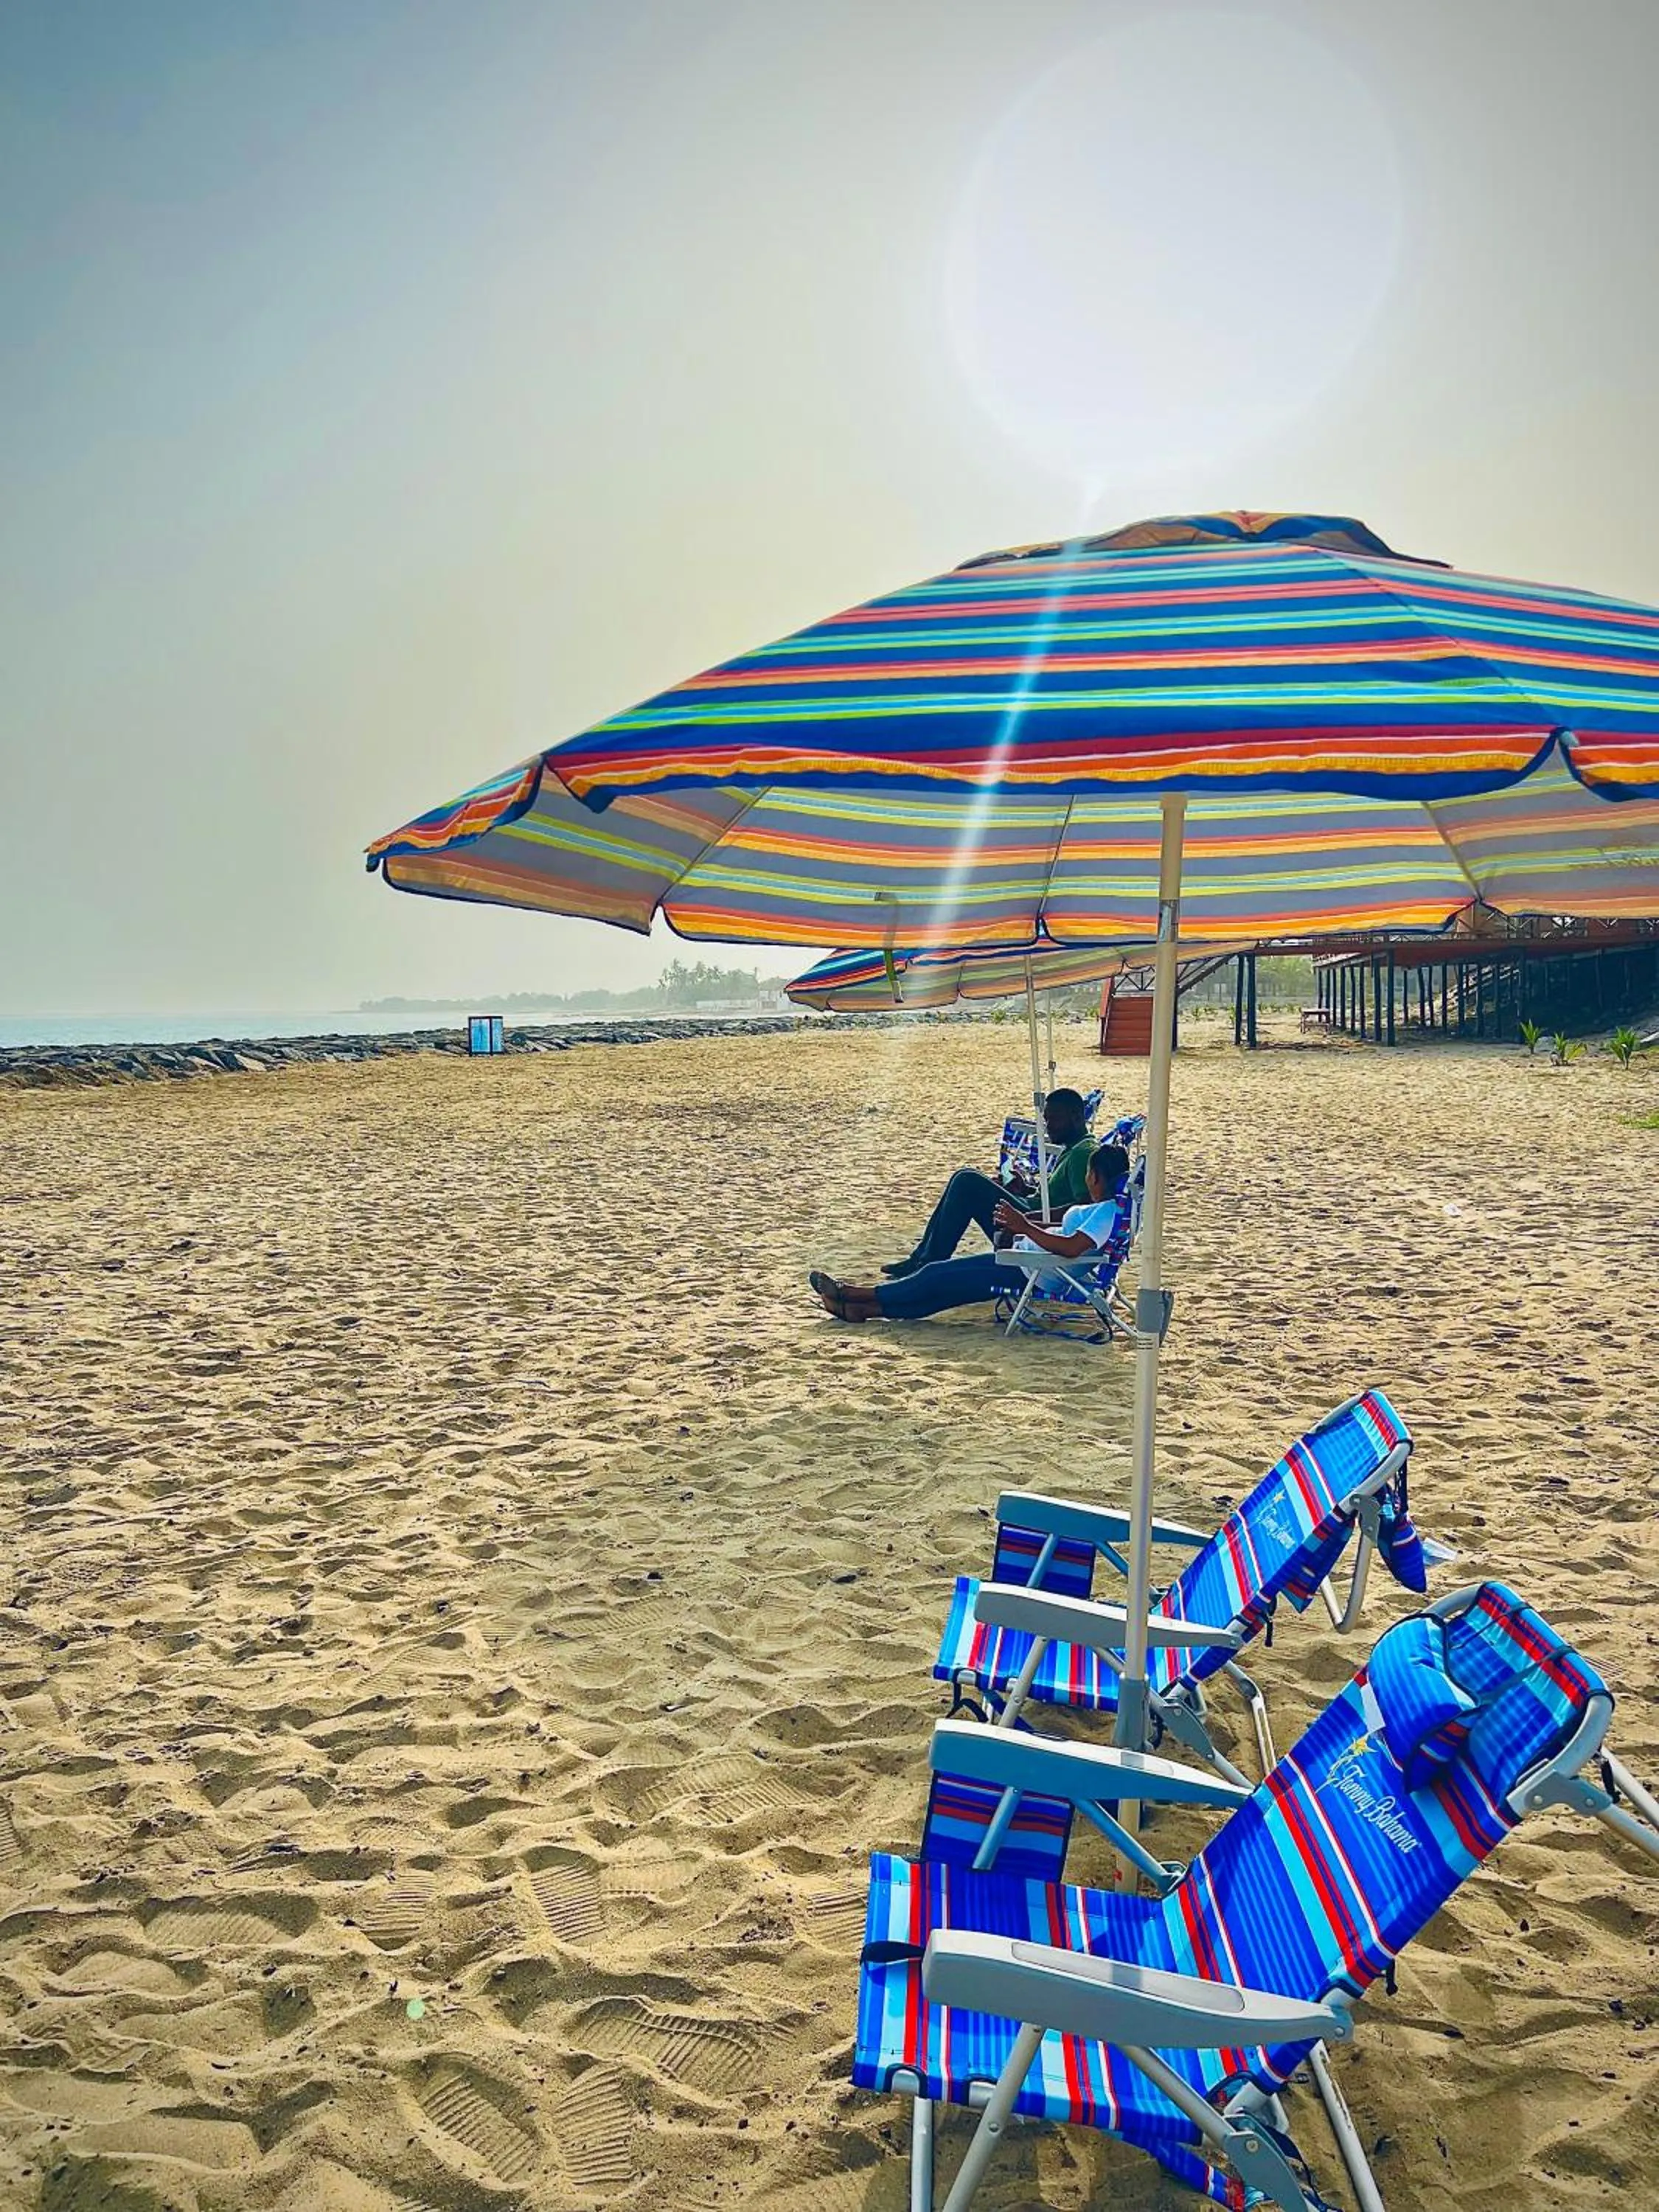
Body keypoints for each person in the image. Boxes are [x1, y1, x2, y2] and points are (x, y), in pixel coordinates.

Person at [810, 1143, 1130, 1325]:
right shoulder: (1108, 1209)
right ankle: (865, 1310)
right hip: (1031, 1262)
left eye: (1089, 1173)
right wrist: (1024, 1225)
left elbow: (1072, 1248)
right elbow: (1070, 1237)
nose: (1087, 1179)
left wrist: (1024, 1227)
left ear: (1096, 1177)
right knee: (947, 1292)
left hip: (1031, 1270)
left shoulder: (1106, 1213)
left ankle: (854, 1293)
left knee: (936, 1275)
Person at [876, 1087, 1098, 1281]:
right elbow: (1058, 1197)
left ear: (1077, 1117)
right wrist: (1025, 1190)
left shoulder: (1082, 1153)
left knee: (966, 1181)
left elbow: (1084, 1209)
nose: (1048, 1127)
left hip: (1032, 1223)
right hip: (1029, 1212)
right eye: (1046, 1119)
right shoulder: (1072, 1149)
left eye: (1055, 1119)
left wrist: (1026, 1221)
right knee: (963, 1179)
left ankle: (927, 1261)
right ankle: (922, 1258)